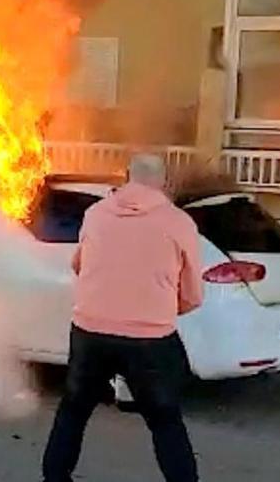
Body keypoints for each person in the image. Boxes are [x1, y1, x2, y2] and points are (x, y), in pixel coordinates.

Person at [42, 154, 204, 482]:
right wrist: (156, 312)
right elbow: (192, 295)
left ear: (127, 176)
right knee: (165, 419)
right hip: (150, 339)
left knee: (73, 410)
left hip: (90, 332)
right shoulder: (178, 223)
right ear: (163, 183)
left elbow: (79, 265)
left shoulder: (96, 214)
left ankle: (54, 478)